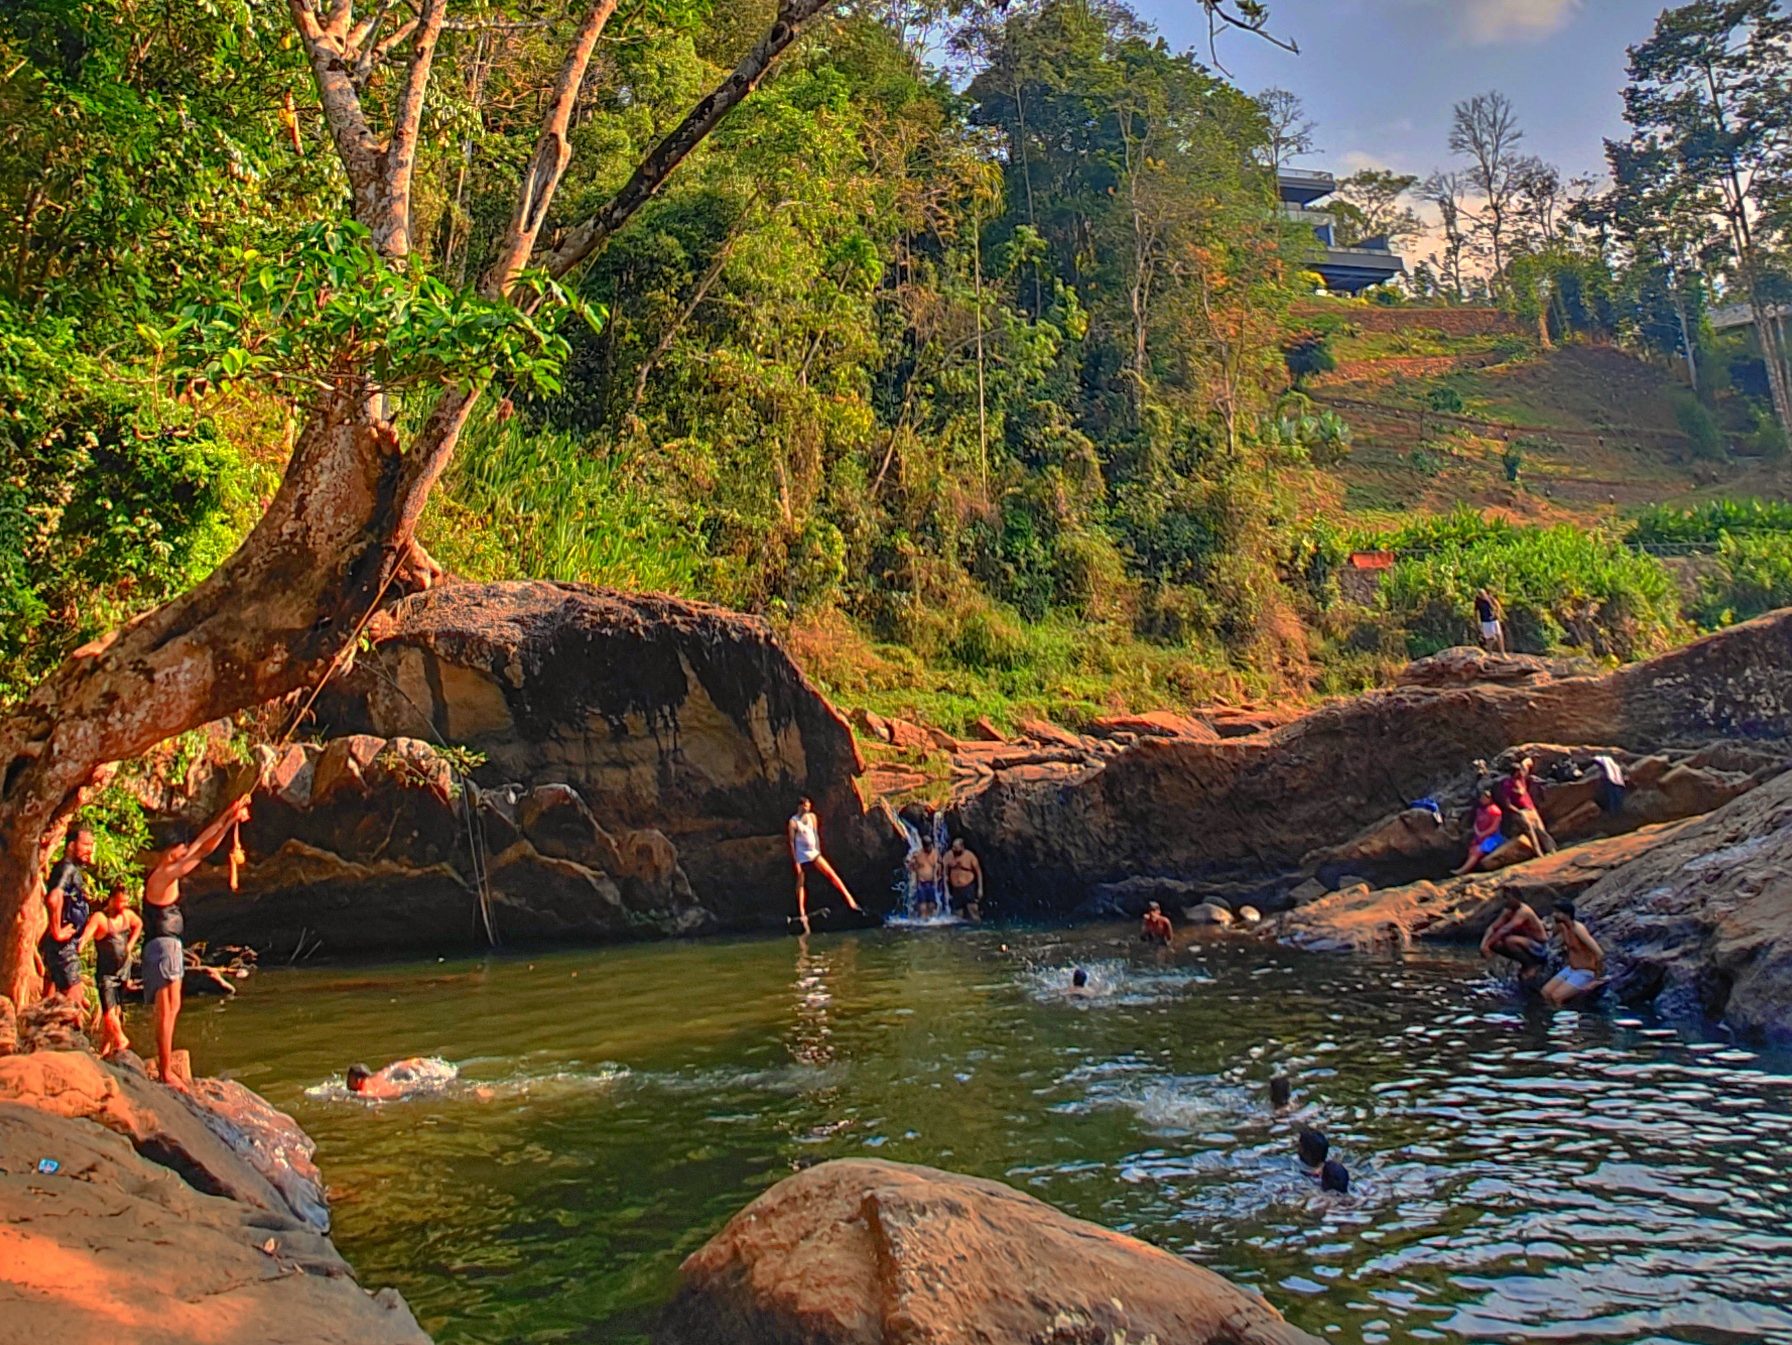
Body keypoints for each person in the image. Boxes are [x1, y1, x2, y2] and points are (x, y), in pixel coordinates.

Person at [142, 794, 253, 1090]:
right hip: (162, 945)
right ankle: (165, 1070)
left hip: (170, 945)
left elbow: (201, 844)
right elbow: (201, 852)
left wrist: (228, 816)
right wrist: (228, 820)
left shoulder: (170, 871)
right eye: (181, 847)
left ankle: (166, 1065)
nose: (185, 850)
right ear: (169, 852)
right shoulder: (164, 874)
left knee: (175, 1004)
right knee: (166, 1007)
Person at [78, 881, 143, 1057]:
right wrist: (79, 946)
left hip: (123, 969)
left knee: (116, 1009)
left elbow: (139, 924)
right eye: (121, 902)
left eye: (126, 901)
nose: (124, 905)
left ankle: (105, 1049)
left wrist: (130, 944)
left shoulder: (128, 915)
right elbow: (87, 934)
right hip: (106, 972)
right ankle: (121, 1039)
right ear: (112, 900)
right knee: (108, 1011)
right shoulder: (100, 918)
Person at [788, 796, 863, 936]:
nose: (807, 808)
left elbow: (815, 834)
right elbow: (792, 842)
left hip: (814, 853)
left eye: (809, 805)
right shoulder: (793, 822)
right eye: (805, 806)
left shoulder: (812, 817)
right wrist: (796, 861)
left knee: (832, 875)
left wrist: (818, 850)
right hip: (801, 855)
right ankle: (802, 912)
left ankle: (851, 901)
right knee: (801, 883)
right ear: (800, 806)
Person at [40, 826, 95, 1002]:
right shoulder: (67, 869)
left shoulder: (68, 869)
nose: (90, 850)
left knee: (52, 1002)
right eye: (85, 844)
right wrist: (57, 931)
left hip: (61, 946)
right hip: (63, 947)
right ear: (71, 845)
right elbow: (53, 898)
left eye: (91, 845)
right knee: (73, 1003)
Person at [1454, 788, 1532, 876]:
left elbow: (1494, 828)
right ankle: (1469, 867)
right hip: (1480, 836)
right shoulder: (1480, 810)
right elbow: (1476, 823)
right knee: (1472, 849)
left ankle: (1462, 870)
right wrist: (1477, 831)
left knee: (1477, 851)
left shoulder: (1495, 811)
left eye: (1485, 798)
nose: (1483, 800)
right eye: (1482, 798)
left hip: (1493, 837)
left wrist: (1483, 834)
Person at [1541, 900, 1606, 1005]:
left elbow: (1599, 953)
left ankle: (1561, 1014)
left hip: (1585, 971)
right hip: (1571, 969)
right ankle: (1552, 1013)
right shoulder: (1563, 927)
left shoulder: (1578, 929)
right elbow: (1550, 932)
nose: (1554, 914)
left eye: (1557, 912)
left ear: (1566, 914)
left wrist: (1596, 979)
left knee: (1556, 997)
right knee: (1545, 992)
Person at [1496, 757, 1556, 856]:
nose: (1521, 773)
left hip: (1531, 808)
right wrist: (1518, 812)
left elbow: (1528, 762)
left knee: (1541, 830)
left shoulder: (1522, 779)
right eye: (1519, 771)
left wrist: (1524, 758)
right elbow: (1507, 804)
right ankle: (1538, 852)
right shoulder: (1507, 784)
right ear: (1514, 772)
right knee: (1530, 831)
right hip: (1522, 811)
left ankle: (1551, 849)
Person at [1480, 893, 1549, 974]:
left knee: (1510, 940)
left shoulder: (1524, 911)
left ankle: (1530, 965)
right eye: (1506, 899)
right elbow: (1493, 927)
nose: (1508, 901)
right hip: (1526, 943)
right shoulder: (1508, 911)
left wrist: (1487, 944)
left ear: (1517, 899)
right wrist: (1483, 945)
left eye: (1510, 899)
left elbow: (1505, 929)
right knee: (1496, 944)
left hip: (1540, 946)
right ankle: (1522, 962)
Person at [345, 1058, 448, 1101]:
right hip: (402, 1073)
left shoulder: (366, 1092)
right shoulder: (375, 1078)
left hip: (406, 1084)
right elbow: (390, 1069)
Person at [944, 837, 984, 921]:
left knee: (972, 910)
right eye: (953, 847)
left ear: (962, 847)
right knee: (957, 915)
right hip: (956, 889)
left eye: (956, 847)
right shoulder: (949, 856)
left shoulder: (970, 856)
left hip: (968, 887)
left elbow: (978, 873)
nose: (953, 849)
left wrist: (980, 888)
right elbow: (944, 873)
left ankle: (977, 927)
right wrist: (946, 890)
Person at [906, 835, 942, 919]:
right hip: (921, 883)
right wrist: (911, 864)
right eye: (927, 846)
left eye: (930, 845)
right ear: (924, 846)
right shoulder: (918, 854)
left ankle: (931, 920)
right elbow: (910, 867)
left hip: (932, 883)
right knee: (922, 906)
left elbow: (940, 865)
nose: (929, 847)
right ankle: (922, 919)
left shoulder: (935, 853)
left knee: (932, 905)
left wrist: (938, 876)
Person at [1475, 589, 1506, 654]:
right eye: (1480, 594)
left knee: (1499, 634)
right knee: (1489, 637)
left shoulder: (1490, 598)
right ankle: (1489, 652)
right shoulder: (1478, 601)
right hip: (1485, 621)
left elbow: (1498, 605)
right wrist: (1477, 621)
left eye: (1483, 593)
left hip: (1494, 619)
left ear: (1485, 593)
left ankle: (1502, 653)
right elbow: (1476, 612)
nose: (1482, 595)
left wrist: (1497, 613)